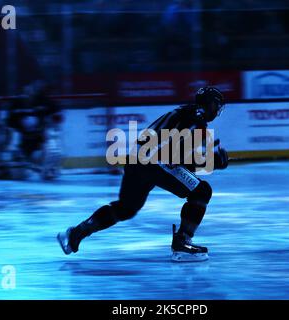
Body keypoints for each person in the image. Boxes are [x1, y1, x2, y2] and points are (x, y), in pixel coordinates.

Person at [57, 86, 229, 262]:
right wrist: (211, 161)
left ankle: (76, 233)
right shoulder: (196, 121)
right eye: (217, 107)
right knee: (201, 191)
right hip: (154, 161)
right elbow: (172, 157)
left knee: (126, 208)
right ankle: (182, 242)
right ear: (210, 105)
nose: (217, 112)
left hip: (136, 159)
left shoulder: (183, 112)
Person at [5, 81, 63, 179]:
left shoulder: (43, 102)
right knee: (19, 169)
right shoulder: (17, 104)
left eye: (31, 90)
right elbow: (10, 123)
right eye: (26, 90)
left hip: (39, 137)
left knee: (53, 149)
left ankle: (49, 169)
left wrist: (54, 121)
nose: (29, 92)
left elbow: (56, 113)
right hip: (23, 139)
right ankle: (24, 165)